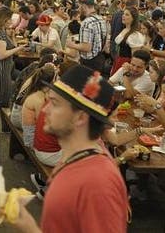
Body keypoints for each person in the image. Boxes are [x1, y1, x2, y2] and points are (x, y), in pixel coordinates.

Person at [12, 65, 128, 232]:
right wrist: (30, 227)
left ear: (80, 117)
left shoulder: (97, 183)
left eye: (55, 103)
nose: (45, 109)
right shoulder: (73, 160)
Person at [0, 7, 27, 113]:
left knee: (21, 79)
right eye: (10, 19)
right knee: (0, 100)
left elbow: (10, 47)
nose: (12, 21)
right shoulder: (0, 34)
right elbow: (2, 55)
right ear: (4, 20)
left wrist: (12, 37)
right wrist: (20, 48)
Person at [65, 0, 108, 72]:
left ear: (84, 6)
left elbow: (87, 47)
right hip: (100, 58)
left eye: (79, 6)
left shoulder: (86, 22)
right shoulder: (101, 19)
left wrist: (71, 45)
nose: (78, 9)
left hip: (89, 63)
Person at [110, 6, 144, 74]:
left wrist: (129, 69)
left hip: (126, 63)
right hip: (118, 60)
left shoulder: (135, 35)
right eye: (123, 14)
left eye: (127, 14)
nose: (123, 16)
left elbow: (135, 57)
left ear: (133, 18)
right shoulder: (125, 29)